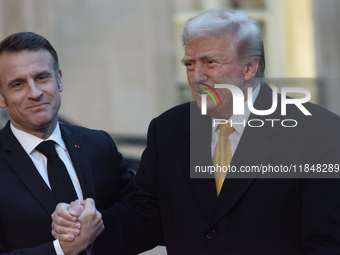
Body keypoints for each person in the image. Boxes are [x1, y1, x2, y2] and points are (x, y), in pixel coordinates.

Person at [52, 9, 340, 254]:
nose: (197, 76)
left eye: (210, 63)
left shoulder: (317, 131)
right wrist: (87, 227)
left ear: (250, 67)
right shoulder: (168, 129)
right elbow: (145, 215)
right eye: (190, 64)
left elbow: (326, 241)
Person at [0, 32, 133, 255]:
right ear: (1, 97)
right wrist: (62, 249)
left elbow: (139, 213)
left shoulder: (98, 144)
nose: (35, 93)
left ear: (59, 79)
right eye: (18, 84)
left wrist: (98, 223)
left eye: (42, 77)